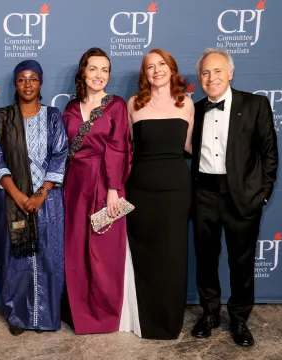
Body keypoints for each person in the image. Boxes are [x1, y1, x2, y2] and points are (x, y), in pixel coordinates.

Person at [190, 48, 278, 346]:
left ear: (230, 73)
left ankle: (239, 318)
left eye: (216, 71)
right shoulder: (194, 109)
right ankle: (210, 313)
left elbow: (269, 154)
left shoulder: (255, 105)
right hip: (204, 193)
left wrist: (261, 195)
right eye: (204, 72)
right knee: (205, 259)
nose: (210, 77)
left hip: (242, 196)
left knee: (241, 262)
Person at [0, 60, 69, 336]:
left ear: (41, 83)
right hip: (13, 200)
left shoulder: (53, 116)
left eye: (33, 79)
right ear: (15, 84)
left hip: (49, 200)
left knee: (49, 256)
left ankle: (45, 316)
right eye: (22, 79)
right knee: (15, 261)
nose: (27, 84)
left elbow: (60, 155)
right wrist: (20, 196)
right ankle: (19, 316)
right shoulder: (3, 118)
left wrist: (41, 194)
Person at [124, 49, 194, 339]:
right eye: (150, 67)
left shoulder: (186, 103)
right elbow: (127, 150)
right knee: (145, 255)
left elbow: (189, 148)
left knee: (172, 256)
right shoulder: (133, 104)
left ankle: (169, 321)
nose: (156, 70)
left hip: (176, 190)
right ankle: (143, 321)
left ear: (172, 68)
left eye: (161, 64)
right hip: (140, 189)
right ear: (144, 74)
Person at [62, 48, 132, 334]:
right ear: (83, 71)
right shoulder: (69, 108)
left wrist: (114, 188)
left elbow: (119, 147)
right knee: (76, 249)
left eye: (105, 70)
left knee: (104, 252)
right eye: (93, 69)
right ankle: (78, 312)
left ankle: (106, 315)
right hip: (75, 186)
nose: (99, 75)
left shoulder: (116, 105)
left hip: (106, 182)